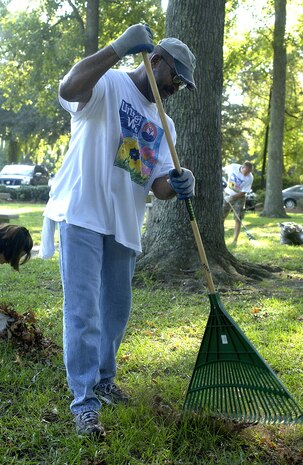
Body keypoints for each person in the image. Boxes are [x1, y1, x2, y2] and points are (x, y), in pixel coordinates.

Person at [41, 23, 196, 437]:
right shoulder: (107, 84)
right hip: (83, 212)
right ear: (156, 60)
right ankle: (84, 402)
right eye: (175, 78)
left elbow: (158, 184)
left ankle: (104, 380)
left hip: (125, 225)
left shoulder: (166, 124)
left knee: (115, 312)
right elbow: (70, 88)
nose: (176, 88)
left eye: (182, 84)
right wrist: (117, 47)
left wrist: (180, 182)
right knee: (83, 311)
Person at [223, 161, 253, 245]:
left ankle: (235, 240)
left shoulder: (250, 178)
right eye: (245, 172)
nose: (246, 174)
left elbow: (243, 192)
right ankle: (220, 237)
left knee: (238, 218)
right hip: (227, 194)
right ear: (242, 167)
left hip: (239, 198)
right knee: (221, 216)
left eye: (248, 172)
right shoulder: (233, 167)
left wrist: (232, 198)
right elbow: (222, 171)